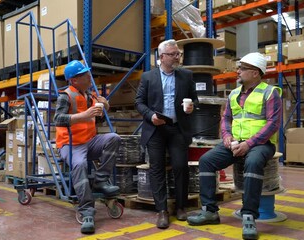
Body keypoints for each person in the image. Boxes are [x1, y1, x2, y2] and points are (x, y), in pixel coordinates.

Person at [186, 52, 282, 240]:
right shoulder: (234, 94)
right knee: (206, 161)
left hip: (260, 144)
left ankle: (248, 217)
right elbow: (226, 119)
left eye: (242, 68)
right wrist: (227, 136)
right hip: (235, 143)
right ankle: (209, 211)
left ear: (255, 72)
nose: (238, 71)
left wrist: (248, 144)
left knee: (253, 162)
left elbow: (273, 124)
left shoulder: (270, 93)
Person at [135, 39, 198, 229]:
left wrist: (191, 107)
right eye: (173, 54)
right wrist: (151, 115)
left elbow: (194, 99)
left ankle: (181, 206)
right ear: (162, 57)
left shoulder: (186, 76)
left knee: (180, 167)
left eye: (178, 53)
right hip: (155, 129)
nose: (177, 57)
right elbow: (139, 102)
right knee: (157, 169)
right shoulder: (148, 77)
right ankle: (162, 210)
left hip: (177, 128)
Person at [54, 60, 121, 234]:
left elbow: (94, 118)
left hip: (89, 141)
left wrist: (104, 106)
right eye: (85, 75)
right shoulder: (65, 96)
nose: (89, 77)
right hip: (70, 144)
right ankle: (87, 212)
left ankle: (100, 180)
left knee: (113, 138)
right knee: (80, 165)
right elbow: (58, 119)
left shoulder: (90, 95)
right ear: (74, 80)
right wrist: (83, 115)